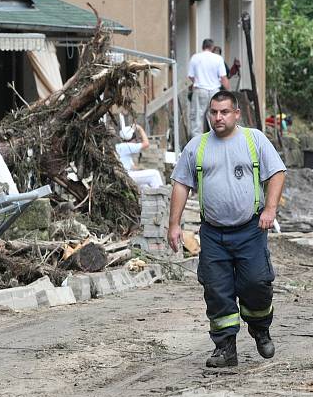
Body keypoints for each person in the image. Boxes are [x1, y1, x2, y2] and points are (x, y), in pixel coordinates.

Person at [168, 90, 287, 368]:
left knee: (256, 283)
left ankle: (260, 330)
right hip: (213, 233)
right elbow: (181, 184)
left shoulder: (253, 139)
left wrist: (270, 210)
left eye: (224, 112)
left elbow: (277, 172)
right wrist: (174, 225)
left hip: (250, 230)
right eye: (213, 112)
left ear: (236, 114)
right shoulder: (197, 146)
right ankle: (225, 348)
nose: (218, 117)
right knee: (217, 289)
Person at [188, 39, 230, 138]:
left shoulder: (195, 58)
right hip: (215, 92)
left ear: (202, 47)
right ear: (212, 47)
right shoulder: (218, 58)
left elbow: (190, 76)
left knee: (197, 118)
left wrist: (197, 81)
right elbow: (223, 78)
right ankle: (216, 141)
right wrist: (229, 92)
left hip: (200, 90)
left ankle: (196, 144)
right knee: (216, 118)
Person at [115, 123, 164, 188]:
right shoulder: (126, 146)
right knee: (154, 174)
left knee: (145, 186)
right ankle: (162, 195)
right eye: (135, 139)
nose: (136, 141)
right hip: (127, 175)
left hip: (126, 175)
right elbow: (146, 144)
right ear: (131, 139)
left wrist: (141, 168)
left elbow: (132, 167)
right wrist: (140, 129)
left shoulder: (122, 147)